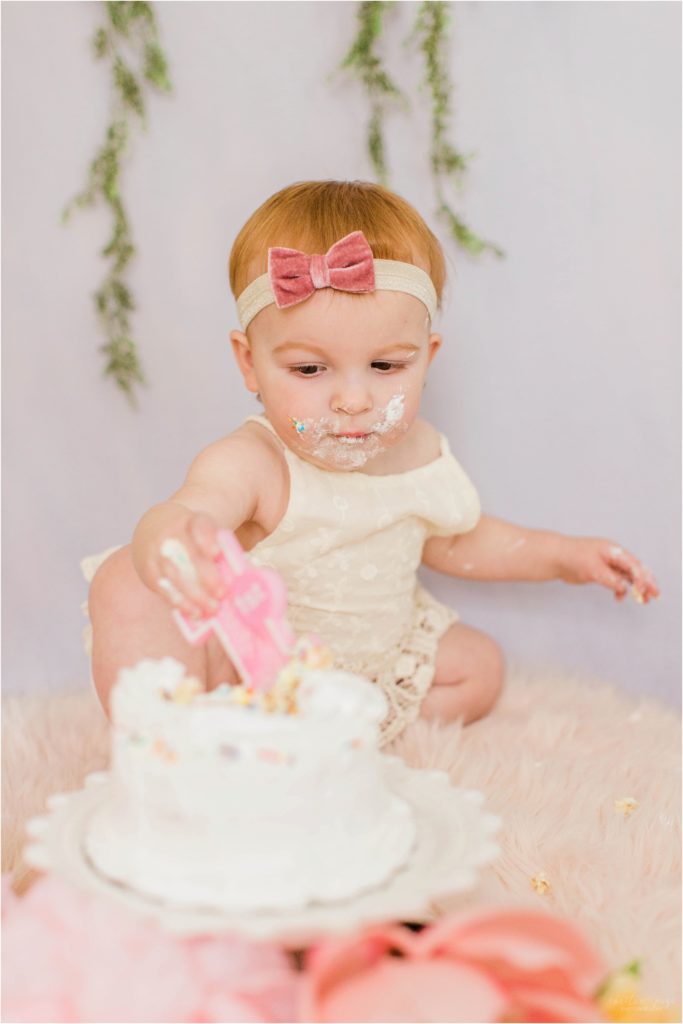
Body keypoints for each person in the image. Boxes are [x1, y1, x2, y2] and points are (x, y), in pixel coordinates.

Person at [88, 180, 659, 745]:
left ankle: (343, 735)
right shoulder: (254, 461)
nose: (354, 400)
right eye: (310, 370)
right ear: (250, 364)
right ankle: (196, 741)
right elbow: (193, 507)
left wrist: (565, 557)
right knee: (128, 584)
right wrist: (178, 540)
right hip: (262, 669)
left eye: (386, 366)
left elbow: (456, 542)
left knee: (479, 667)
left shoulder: (419, 454)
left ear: (426, 358)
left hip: (368, 662)